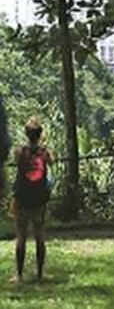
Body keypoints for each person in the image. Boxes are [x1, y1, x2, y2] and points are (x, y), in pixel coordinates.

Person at [11, 117, 53, 283]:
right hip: (39, 199)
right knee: (39, 235)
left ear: (26, 134)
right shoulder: (45, 152)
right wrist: (43, 144)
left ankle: (19, 275)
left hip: (21, 198)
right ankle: (40, 274)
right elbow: (51, 162)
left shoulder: (19, 151)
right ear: (40, 133)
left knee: (21, 236)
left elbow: (16, 164)